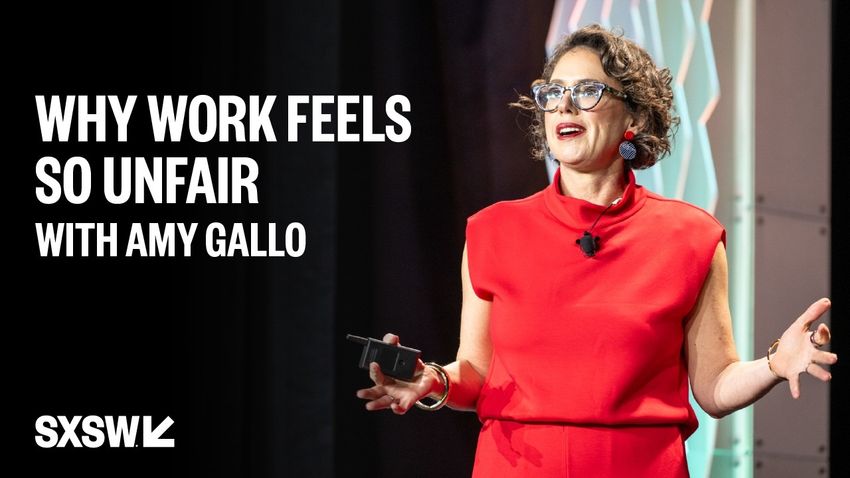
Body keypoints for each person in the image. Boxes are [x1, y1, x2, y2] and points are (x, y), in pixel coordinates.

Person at [355, 24, 837, 476]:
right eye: (553, 94)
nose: (564, 106)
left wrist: (774, 365)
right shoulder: (492, 230)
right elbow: (478, 374)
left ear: (634, 116)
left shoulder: (691, 236)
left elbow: (714, 387)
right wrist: (433, 380)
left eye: (587, 91)